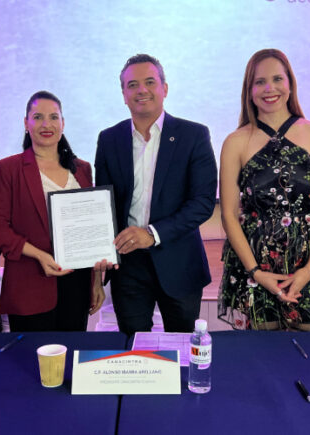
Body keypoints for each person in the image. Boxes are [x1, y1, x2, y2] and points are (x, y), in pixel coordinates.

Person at [218, 49, 310, 331]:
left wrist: (309, 270)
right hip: (257, 268)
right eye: (260, 81)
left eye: (277, 79)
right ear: (249, 90)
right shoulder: (235, 142)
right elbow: (228, 215)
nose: (270, 88)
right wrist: (256, 272)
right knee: (263, 351)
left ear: (290, 83)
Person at [95, 54, 218, 335]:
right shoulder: (109, 139)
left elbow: (202, 202)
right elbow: (103, 203)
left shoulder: (193, 135)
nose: (142, 90)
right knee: (133, 346)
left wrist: (152, 234)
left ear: (165, 88)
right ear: (123, 95)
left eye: (150, 82)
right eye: (132, 85)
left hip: (179, 260)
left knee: (182, 345)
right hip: (128, 264)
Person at [0, 91, 105, 331]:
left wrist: (96, 283)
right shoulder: (8, 169)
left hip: (77, 285)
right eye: (38, 117)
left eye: (53, 117)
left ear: (63, 123)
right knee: (32, 353)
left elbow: (90, 229)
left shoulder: (82, 169)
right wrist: (40, 255)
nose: (46, 124)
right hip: (30, 284)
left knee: (72, 351)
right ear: (26, 123)